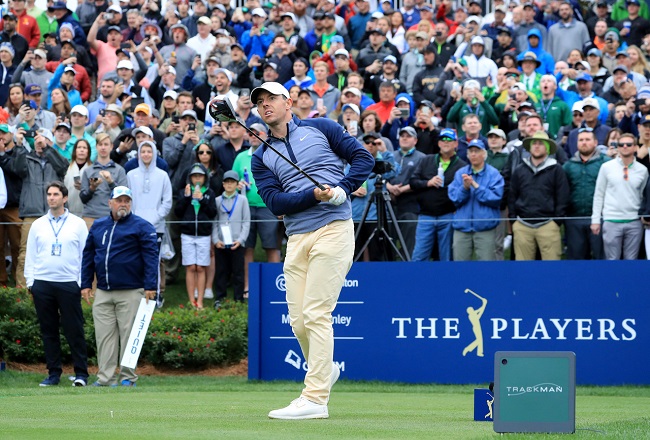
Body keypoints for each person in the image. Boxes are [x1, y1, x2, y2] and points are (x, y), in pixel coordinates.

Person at [250, 82, 373, 419]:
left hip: (334, 229)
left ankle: (316, 399)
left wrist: (344, 189)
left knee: (317, 313)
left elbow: (364, 158)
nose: (265, 106)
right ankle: (326, 369)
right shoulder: (260, 157)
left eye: (271, 99)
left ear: (288, 102)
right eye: (260, 102)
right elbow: (276, 202)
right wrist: (314, 195)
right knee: (298, 321)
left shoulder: (323, 128)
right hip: (297, 238)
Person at [81, 186, 158, 387]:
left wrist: (150, 285)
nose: (123, 204)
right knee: (104, 337)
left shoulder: (143, 226)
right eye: (119, 200)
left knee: (129, 336)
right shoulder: (98, 226)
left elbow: (151, 258)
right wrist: (85, 284)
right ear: (110, 203)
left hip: (131, 291)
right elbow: (88, 256)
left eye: (127, 200)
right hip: (103, 291)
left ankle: (127, 378)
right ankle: (105, 379)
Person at [25, 181, 89, 387]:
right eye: (49, 194)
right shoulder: (38, 224)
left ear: (64, 198)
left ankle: (81, 374)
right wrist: (31, 282)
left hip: (68, 283)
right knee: (48, 330)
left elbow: (85, 255)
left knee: (74, 329)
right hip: (43, 283)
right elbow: (31, 255)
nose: (51, 197)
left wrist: (81, 282)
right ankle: (53, 374)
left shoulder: (77, 224)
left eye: (55, 194)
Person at [232, 123, 280, 297]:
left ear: (264, 135)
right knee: (248, 248)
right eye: (250, 133)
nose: (253, 136)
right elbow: (232, 181)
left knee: (271, 247)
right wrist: (238, 185)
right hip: (246, 207)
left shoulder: (273, 154)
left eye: (256, 133)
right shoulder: (241, 157)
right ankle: (248, 286)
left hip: (268, 207)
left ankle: (275, 288)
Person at [508, 131, 570, 260]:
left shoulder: (557, 169)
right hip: (523, 225)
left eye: (540, 144)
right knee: (523, 270)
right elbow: (512, 196)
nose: (536, 146)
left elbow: (562, 197)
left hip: (548, 225)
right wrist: (514, 220)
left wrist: (556, 221)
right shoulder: (520, 169)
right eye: (534, 143)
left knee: (551, 269)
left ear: (547, 149)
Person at [409, 128, 467, 261]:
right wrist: (428, 183)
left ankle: (447, 282)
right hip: (425, 216)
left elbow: (463, 192)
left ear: (456, 144)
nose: (446, 142)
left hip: (448, 216)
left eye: (449, 140)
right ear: (438, 143)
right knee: (419, 256)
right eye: (443, 139)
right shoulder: (426, 160)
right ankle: (415, 281)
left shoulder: (462, 166)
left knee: (446, 256)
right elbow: (413, 182)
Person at [127, 141, 172, 308]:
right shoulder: (131, 175)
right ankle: (137, 295)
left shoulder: (162, 175)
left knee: (154, 261)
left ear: (154, 154)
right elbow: (128, 200)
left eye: (149, 151)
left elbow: (167, 202)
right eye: (143, 151)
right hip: (135, 226)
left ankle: (156, 295)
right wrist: (136, 221)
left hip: (156, 227)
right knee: (135, 260)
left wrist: (154, 219)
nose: (146, 154)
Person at [591, 132, 649, 259]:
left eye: (629, 144)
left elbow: (643, 195)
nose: (625, 147)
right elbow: (599, 194)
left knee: (631, 261)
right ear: (617, 147)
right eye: (621, 144)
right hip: (611, 220)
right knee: (612, 262)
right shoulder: (606, 167)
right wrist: (595, 220)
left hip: (634, 221)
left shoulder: (643, 170)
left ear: (635, 147)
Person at [447, 139, 504, 261]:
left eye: (477, 151)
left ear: (484, 154)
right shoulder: (460, 174)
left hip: (485, 229)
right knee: (460, 269)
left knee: (487, 269)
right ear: (467, 155)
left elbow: (496, 198)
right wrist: (465, 188)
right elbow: (454, 198)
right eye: (471, 151)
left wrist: (476, 186)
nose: (473, 154)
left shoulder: (494, 174)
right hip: (462, 228)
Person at [174, 163, 217, 309]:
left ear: (205, 178)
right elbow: (178, 212)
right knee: (191, 267)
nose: (197, 179)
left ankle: (200, 302)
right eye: (194, 176)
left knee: (201, 268)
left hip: (204, 235)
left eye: (200, 176)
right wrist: (186, 198)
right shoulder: (184, 191)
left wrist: (203, 200)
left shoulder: (209, 193)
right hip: (187, 234)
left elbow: (212, 213)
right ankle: (192, 301)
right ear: (190, 178)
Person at [563, 129, 610, 259]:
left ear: (595, 142)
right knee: (576, 261)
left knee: (601, 259)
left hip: (600, 219)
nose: (584, 143)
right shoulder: (568, 166)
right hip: (574, 219)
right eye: (581, 140)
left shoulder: (606, 163)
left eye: (587, 140)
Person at [212, 170, 250, 307]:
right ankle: (220, 298)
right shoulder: (217, 200)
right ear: (223, 184)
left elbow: (246, 221)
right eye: (227, 182)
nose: (229, 185)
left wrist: (240, 240)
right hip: (221, 243)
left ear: (236, 184)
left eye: (232, 182)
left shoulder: (242, 200)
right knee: (221, 271)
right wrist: (216, 240)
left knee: (238, 272)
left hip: (236, 242)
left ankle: (238, 299)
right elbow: (214, 222)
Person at [63, 139, 92, 217]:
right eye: (79, 147)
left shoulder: (92, 169)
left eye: (84, 148)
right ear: (75, 150)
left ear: (88, 151)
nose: (81, 150)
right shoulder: (67, 168)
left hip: (86, 213)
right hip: (68, 211)